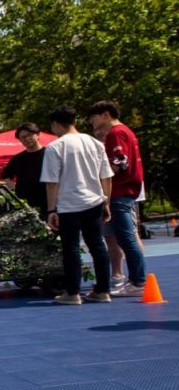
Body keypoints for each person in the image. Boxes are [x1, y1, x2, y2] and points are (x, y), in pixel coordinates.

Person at [40, 105, 113, 305]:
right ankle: (103, 291)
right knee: (97, 245)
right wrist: (106, 201)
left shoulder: (55, 147)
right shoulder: (95, 143)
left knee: (70, 248)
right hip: (94, 201)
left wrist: (51, 209)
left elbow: (51, 182)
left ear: (56, 125)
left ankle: (73, 293)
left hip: (68, 204)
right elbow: (106, 176)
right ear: (75, 121)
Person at [87, 100, 146, 297]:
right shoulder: (124, 131)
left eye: (93, 118)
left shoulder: (116, 133)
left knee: (126, 238)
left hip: (120, 191)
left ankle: (138, 281)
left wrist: (100, 177)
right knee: (124, 238)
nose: (92, 122)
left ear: (105, 114)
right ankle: (135, 279)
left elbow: (120, 161)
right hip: (125, 191)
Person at [2, 121, 49, 217]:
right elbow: (6, 176)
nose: (26, 139)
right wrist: (16, 191)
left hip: (48, 203)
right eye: (23, 137)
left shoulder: (50, 154)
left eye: (29, 135)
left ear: (37, 135)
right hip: (26, 206)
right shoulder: (17, 159)